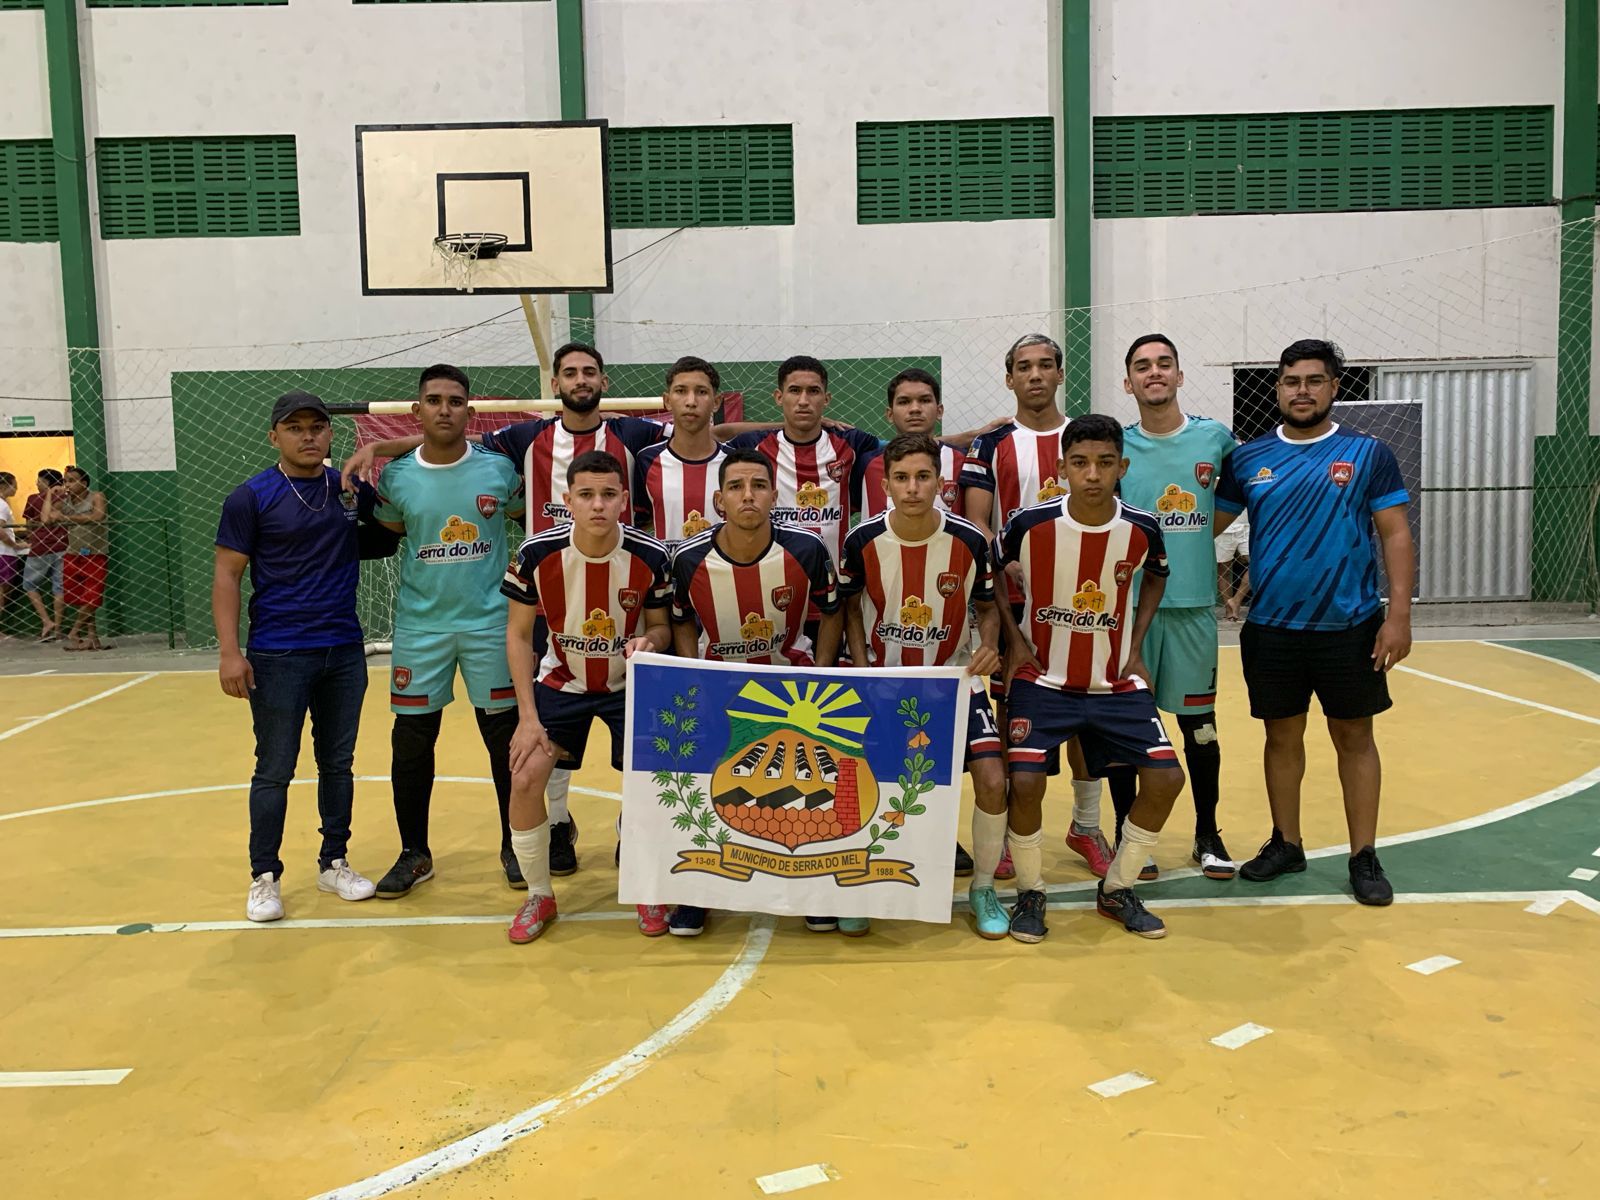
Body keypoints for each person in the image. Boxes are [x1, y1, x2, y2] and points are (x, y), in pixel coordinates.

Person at [1215, 339, 1414, 907]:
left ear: (1333, 387)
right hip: (1272, 626)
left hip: (1350, 624)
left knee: (1354, 737)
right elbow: (1202, 524)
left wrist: (1399, 616)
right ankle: (1287, 843)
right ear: (1277, 389)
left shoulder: (1368, 453)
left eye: (1314, 380)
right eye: (1291, 381)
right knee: (1281, 737)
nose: (1302, 391)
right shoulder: (1247, 459)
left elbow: (1396, 533)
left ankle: (1363, 855)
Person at [996, 413, 1187, 943]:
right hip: (1043, 679)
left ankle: (1118, 889)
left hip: (1115, 681)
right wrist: (1013, 641)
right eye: (1080, 463)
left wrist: (1137, 643)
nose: (1093, 474)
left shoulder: (1143, 528)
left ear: (1122, 466)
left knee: (1168, 778)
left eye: (1105, 463)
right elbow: (991, 574)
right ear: (1062, 469)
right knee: (1026, 782)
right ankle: (1030, 892)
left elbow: (1157, 578)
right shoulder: (1027, 524)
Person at [213, 391, 400, 922]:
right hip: (278, 652)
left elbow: (391, 534)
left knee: (338, 763)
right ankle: (264, 876)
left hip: (343, 649)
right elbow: (227, 574)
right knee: (274, 768)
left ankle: (333, 862)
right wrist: (230, 653)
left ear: (330, 433)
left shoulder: (347, 488)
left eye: (316, 426)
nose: (308, 435)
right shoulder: (251, 497)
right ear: (274, 436)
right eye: (294, 428)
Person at [664, 448, 843, 937]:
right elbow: (680, 620)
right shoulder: (688, 558)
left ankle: (812, 887)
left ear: (774, 495)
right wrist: (694, 678)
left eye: (759, 485)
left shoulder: (807, 550)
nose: (748, 495)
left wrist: (822, 676)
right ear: (719, 500)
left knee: (809, 786)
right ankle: (697, 892)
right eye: (737, 487)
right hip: (719, 686)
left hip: (793, 687)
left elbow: (832, 611)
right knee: (705, 786)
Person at [840, 433, 1011, 939]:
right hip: (885, 685)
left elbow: (987, 607)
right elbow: (849, 608)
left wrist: (989, 645)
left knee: (993, 780)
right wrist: (862, 666)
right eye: (901, 478)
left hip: (952, 683)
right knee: (863, 784)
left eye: (922, 476)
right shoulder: (861, 540)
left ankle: (983, 888)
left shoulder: (970, 540)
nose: (912, 488)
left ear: (941, 482)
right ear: (885, 484)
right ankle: (862, 887)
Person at [500, 450, 673, 943]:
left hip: (629, 685)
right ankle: (540, 895)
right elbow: (518, 636)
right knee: (525, 775)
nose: (598, 504)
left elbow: (661, 628)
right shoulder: (535, 554)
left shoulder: (651, 557)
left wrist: (649, 641)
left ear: (624, 500)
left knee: (652, 783)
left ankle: (648, 886)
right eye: (587, 495)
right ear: (568, 500)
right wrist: (527, 718)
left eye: (608, 494)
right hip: (561, 683)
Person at [369, 365, 528, 898]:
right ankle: (414, 853)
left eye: (455, 401)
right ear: (417, 411)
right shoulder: (396, 477)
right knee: (412, 740)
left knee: (504, 739)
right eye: (434, 400)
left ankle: (515, 844)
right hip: (422, 627)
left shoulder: (499, 470)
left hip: (491, 624)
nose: (444, 409)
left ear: (470, 411)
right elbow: (393, 529)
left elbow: (527, 520)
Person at [960, 334, 1105, 879]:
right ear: (1010, 378)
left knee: (1088, 713)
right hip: (1014, 604)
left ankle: (1086, 826)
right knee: (1010, 719)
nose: (1036, 375)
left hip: (1084, 601)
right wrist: (1010, 566)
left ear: (1061, 374)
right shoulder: (990, 444)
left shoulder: (1086, 437)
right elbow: (979, 526)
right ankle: (1003, 836)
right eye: (1024, 367)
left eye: (1046, 365)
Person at [1111, 334, 1240, 882]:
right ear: (1129, 383)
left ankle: (1207, 835)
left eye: (1164, 364)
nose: (1154, 373)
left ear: (1180, 376)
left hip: (1190, 607)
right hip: (1127, 611)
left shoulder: (1215, 438)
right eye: (1143, 367)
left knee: (1200, 729)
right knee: (1125, 730)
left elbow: (1236, 496)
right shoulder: (1117, 445)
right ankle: (1128, 837)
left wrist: (1195, 540)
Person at [632, 355, 729, 544]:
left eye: (701, 392)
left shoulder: (733, 462)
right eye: (681, 391)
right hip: (667, 564)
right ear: (667, 400)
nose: (691, 401)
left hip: (720, 564)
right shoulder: (647, 460)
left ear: (716, 402)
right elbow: (641, 522)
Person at [859, 369, 966, 517]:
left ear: (939, 411)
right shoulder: (865, 464)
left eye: (925, 400)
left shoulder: (963, 462)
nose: (915, 409)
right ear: (890, 414)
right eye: (904, 402)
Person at [46, 466, 110, 651]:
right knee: (81, 598)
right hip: (73, 554)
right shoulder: (65, 502)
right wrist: (50, 495)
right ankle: (92, 639)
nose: (68, 485)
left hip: (95, 553)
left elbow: (98, 516)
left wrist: (66, 518)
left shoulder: (96, 496)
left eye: (72, 481)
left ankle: (74, 631)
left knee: (93, 597)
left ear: (84, 483)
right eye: (65, 481)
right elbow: (47, 519)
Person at [22, 469, 67, 641]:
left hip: (40, 547)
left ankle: (46, 621)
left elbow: (29, 526)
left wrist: (32, 535)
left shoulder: (33, 499)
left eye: (39, 480)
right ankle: (58, 629)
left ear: (47, 483)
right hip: (62, 545)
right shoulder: (65, 497)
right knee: (59, 587)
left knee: (29, 584)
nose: (36, 483)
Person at [1216, 509, 1250, 620]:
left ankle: (1236, 600)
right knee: (1223, 570)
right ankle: (1229, 611)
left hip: (1248, 525)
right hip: (1223, 525)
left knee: (1257, 566)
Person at [0, 472, 19, 639]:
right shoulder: (2, 505)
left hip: (5, 551)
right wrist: (15, 545)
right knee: (2, 591)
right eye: (14, 484)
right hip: (4, 552)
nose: (16, 488)